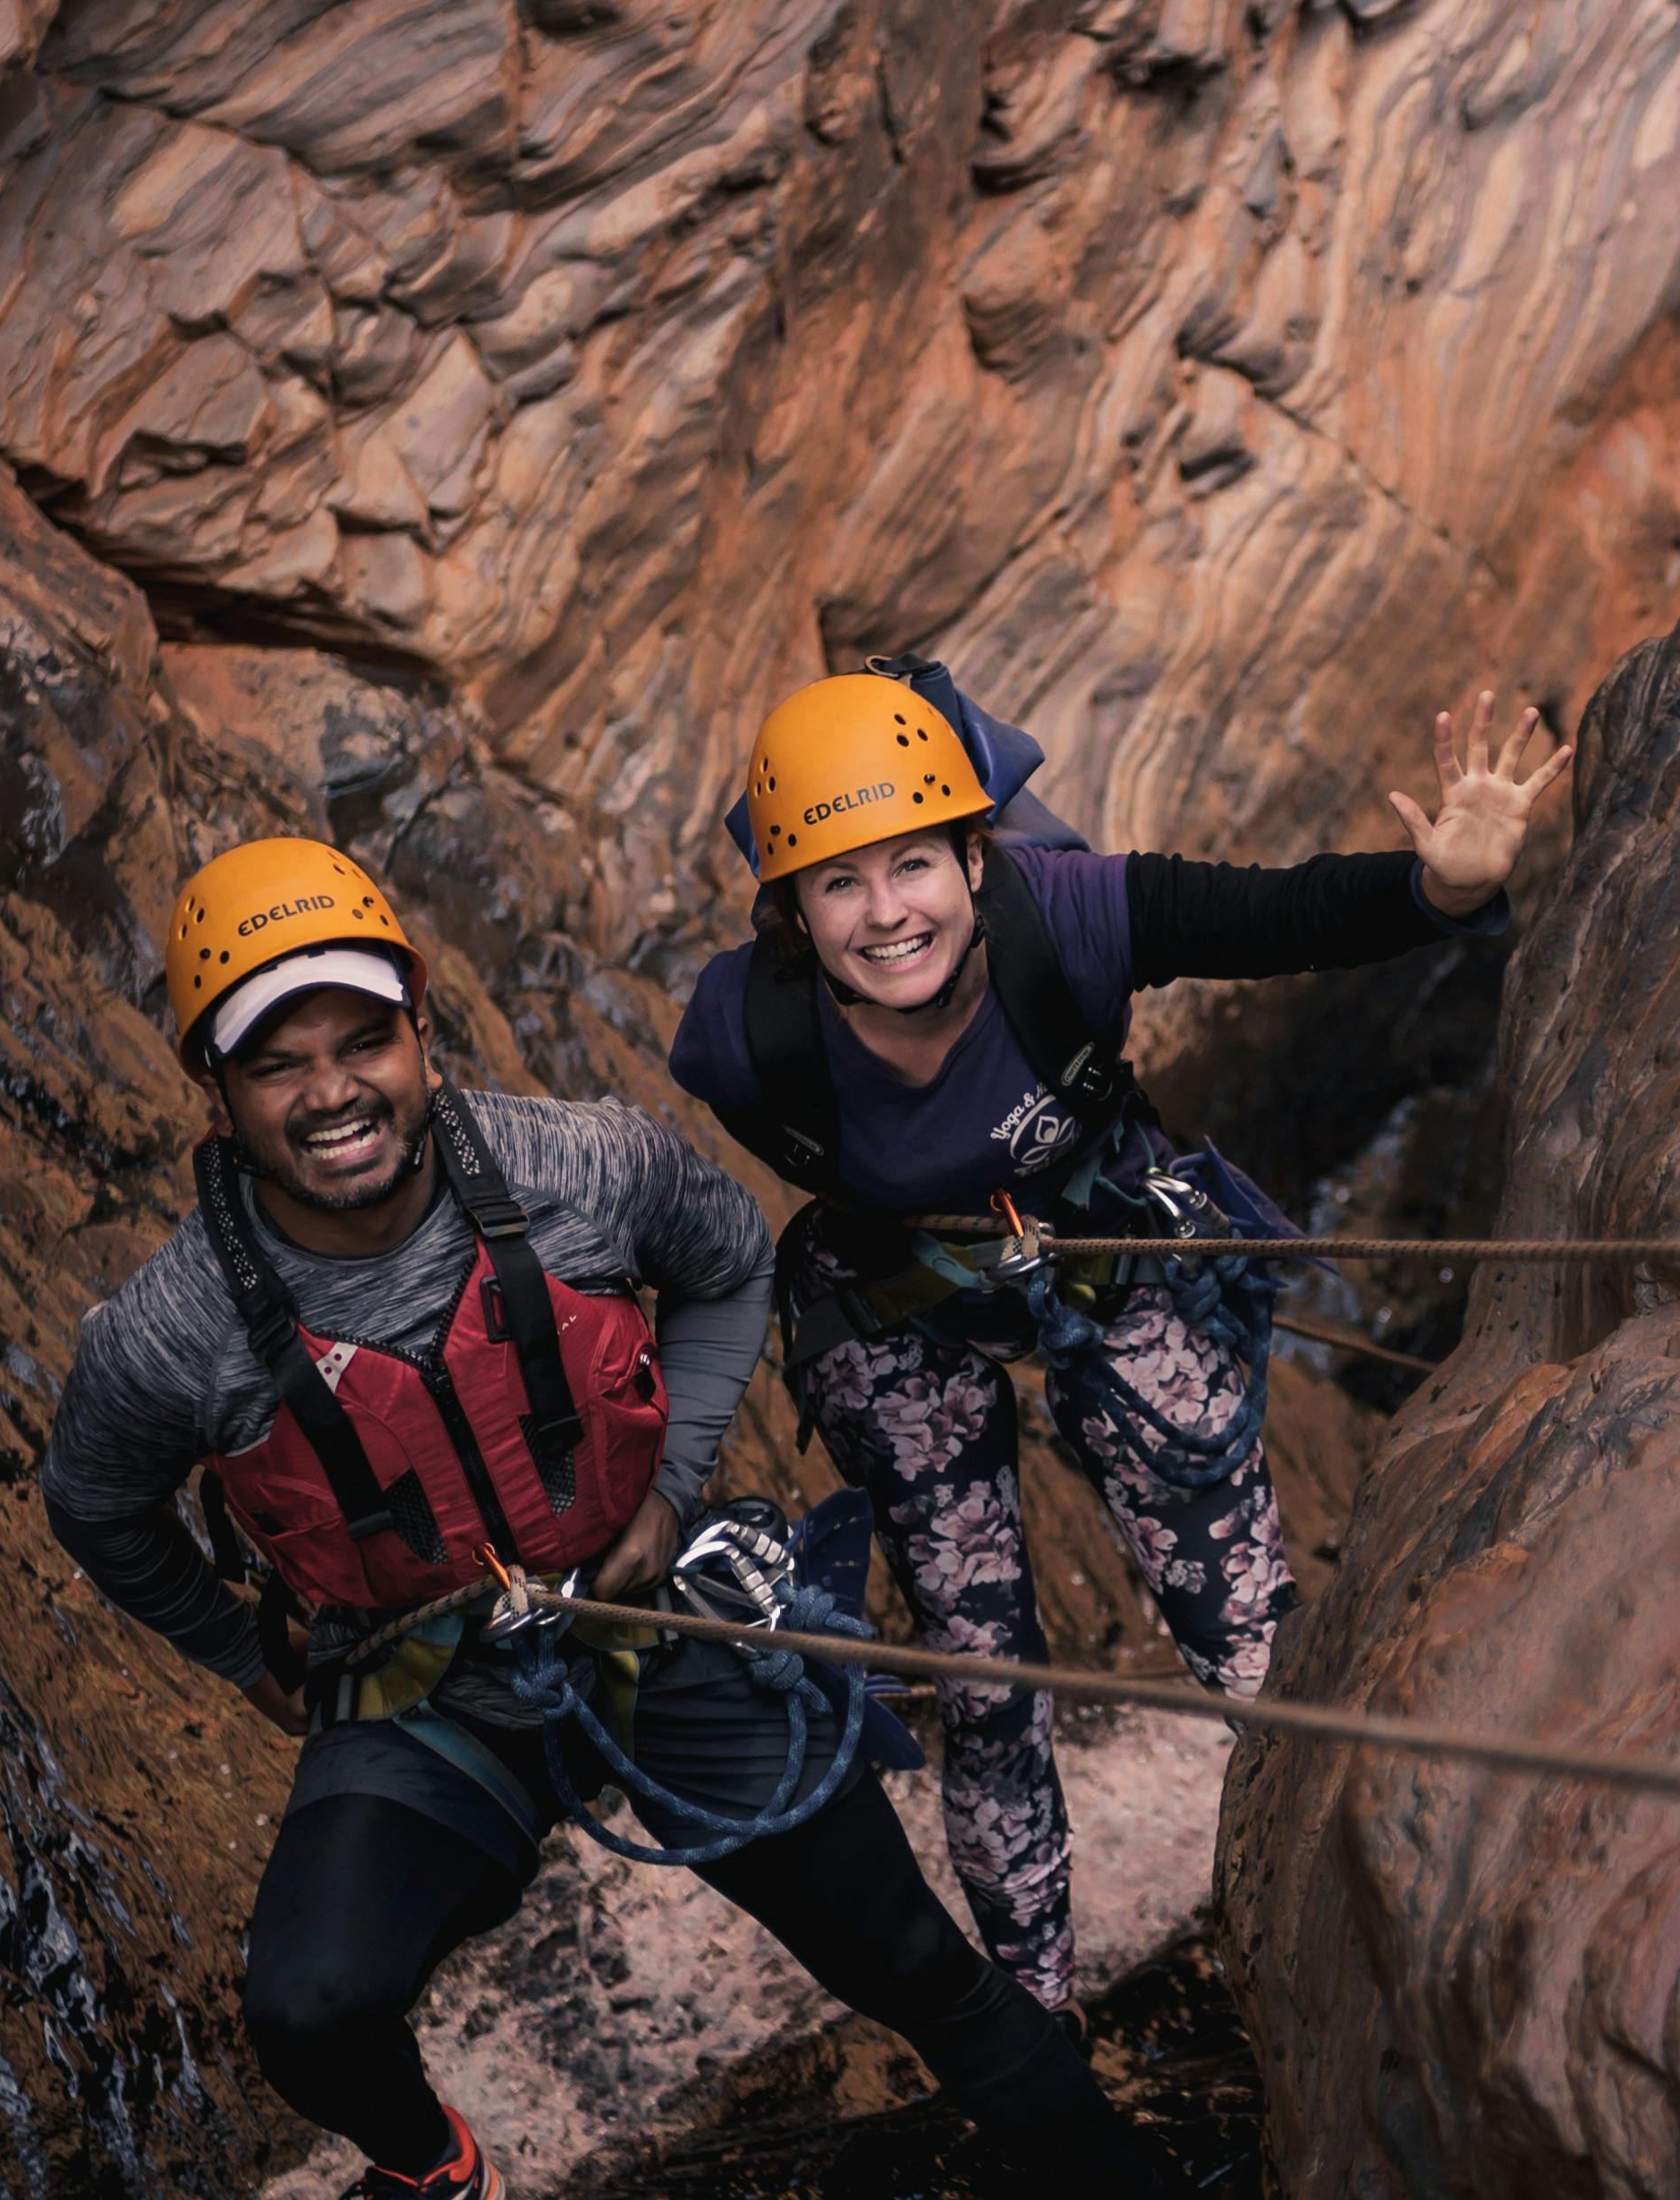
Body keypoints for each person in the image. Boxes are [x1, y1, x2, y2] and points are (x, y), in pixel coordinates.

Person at [40, 837, 1193, 2200]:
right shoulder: (167, 1334)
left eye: (363, 1039)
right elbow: (98, 1504)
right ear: (218, 1091)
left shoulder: (578, 1162)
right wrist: (241, 1655)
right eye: (278, 1064)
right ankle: (431, 2167)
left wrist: (667, 1489)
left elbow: (726, 1267)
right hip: (427, 1687)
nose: (332, 1093)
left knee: (912, 1961)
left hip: (654, 1625)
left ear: (420, 1032)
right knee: (307, 2006)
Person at [668, 667, 1568, 2017]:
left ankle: (1332, 1909)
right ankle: (1035, 2013)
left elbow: (1275, 916)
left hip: (1098, 1237)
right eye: (839, 884)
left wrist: (1439, 887)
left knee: (1241, 1612)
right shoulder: (739, 1039)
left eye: (914, 865)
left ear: (978, 855)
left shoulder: (1070, 918)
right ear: (790, 911)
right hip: (894, 1298)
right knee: (981, 1674)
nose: (886, 915)